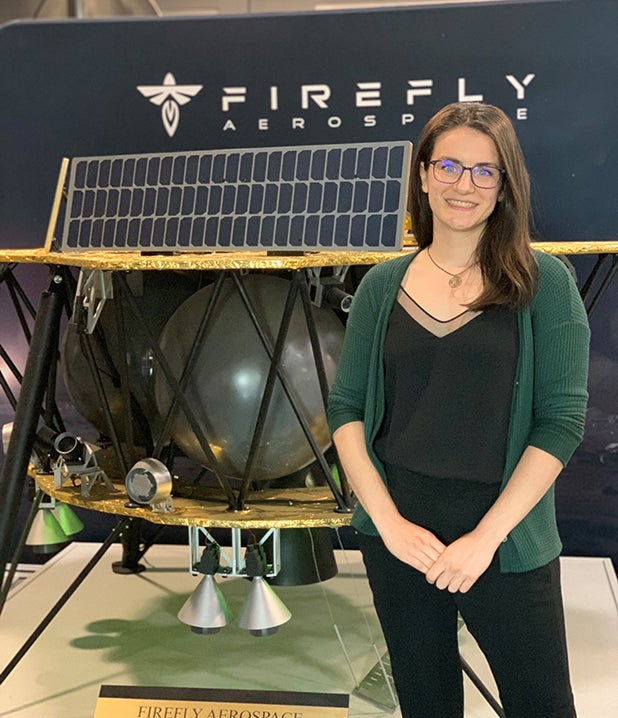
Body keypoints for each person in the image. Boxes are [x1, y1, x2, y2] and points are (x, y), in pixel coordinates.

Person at [327, 102, 590, 718]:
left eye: (483, 171)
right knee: (426, 703)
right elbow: (346, 410)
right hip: (401, 537)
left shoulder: (546, 284)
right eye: (448, 166)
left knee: (542, 706)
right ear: (423, 175)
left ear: (504, 186)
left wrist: (485, 539)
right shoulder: (380, 285)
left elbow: (561, 423)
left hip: (504, 537)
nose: (463, 184)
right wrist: (388, 524)